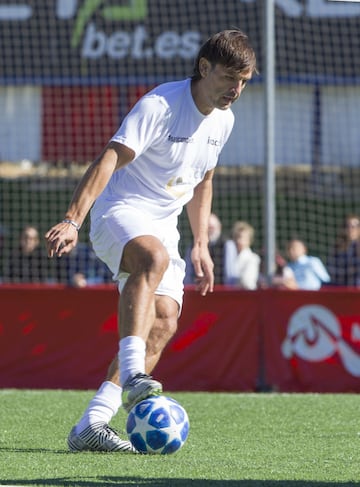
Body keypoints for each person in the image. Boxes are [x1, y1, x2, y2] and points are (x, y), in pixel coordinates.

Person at [45, 29, 257, 453]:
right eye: (230, 77)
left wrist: (200, 244)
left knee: (163, 321)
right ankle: (134, 378)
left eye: (245, 81)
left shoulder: (225, 120)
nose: (236, 89)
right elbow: (108, 158)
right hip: (118, 211)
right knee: (151, 257)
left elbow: (204, 182)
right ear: (203, 68)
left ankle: (93, 423)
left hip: (165, 222)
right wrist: (72, 220)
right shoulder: (161, 104)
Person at [184, 212, 226, 285]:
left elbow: (231, 273)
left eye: (212, 228)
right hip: (197, 288)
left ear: (219, 227)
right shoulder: (193, 246)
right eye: (207, 228)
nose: (210, 231)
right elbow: (188, 271)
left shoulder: (227, 245)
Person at [223, 220, 260, 289]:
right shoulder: (229, 257)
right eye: (236, 237)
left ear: (249, 240)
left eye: (241, 237)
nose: (238, 240)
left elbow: (247, 282)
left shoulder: (253, 258)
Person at [327, 214, 360, 287]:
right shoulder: (337, 247)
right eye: (347, 226)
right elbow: (331, 268)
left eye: (354, 226)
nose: (350, 229)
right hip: (340, 283)